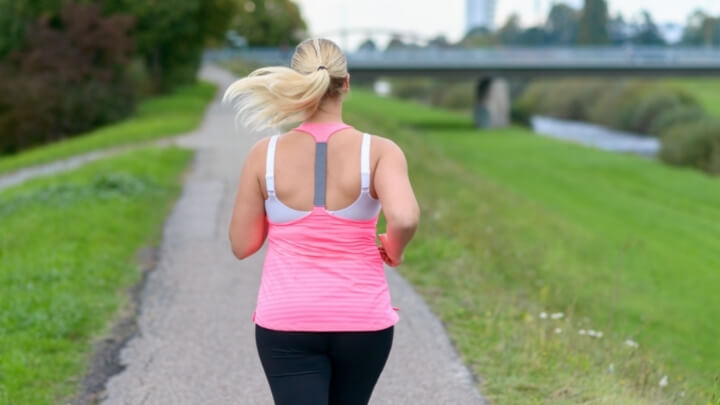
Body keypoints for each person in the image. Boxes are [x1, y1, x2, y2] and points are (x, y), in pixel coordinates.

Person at [224, 38, 420, 405]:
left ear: (295, 83)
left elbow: (241, 245)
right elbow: (405, 217)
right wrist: (394, 248)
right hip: (361, 321)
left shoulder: (263, 155)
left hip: (287, 320)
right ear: (346, 82)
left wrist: (280, 214)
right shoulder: (379, 151)